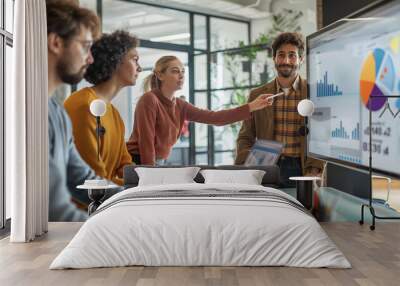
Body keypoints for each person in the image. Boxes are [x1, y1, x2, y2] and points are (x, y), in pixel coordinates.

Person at [126, 56, 274, 165]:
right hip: (138, 162)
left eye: (183, 71)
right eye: (175, 71)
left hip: (157, 163)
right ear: (160, 75)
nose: (182, 75)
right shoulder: (149, 100)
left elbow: (215, 118)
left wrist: (252, 106)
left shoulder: (180, 105)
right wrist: (150, 177)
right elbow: (147, 144)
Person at [235, 32, 323, 187]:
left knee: (301, 210)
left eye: (292, 55)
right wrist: (247, 166)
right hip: (266, 166)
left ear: (301, 59)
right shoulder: (257, 95)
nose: (286, 60)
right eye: (281, 55)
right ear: (274, 58)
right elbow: (245, 136)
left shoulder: (314, 93)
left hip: (301, 167)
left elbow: (322, 135)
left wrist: (314, 170)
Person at [47, 1, 101, 221]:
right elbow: (55, 209)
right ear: (56, 42)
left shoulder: (57, 113)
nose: (90, 59)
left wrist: (133, 199)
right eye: (86, 46)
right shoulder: (24, 113)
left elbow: (83, 179)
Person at [64, 31, 141, 185]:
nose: (140, 68)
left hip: (106, 200)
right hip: (85, 205)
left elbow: (123, 165)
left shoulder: (114, 114)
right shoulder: (83, 106)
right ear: (115, 61)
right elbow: (91, 178)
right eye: (134, 60)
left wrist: (147, 181)